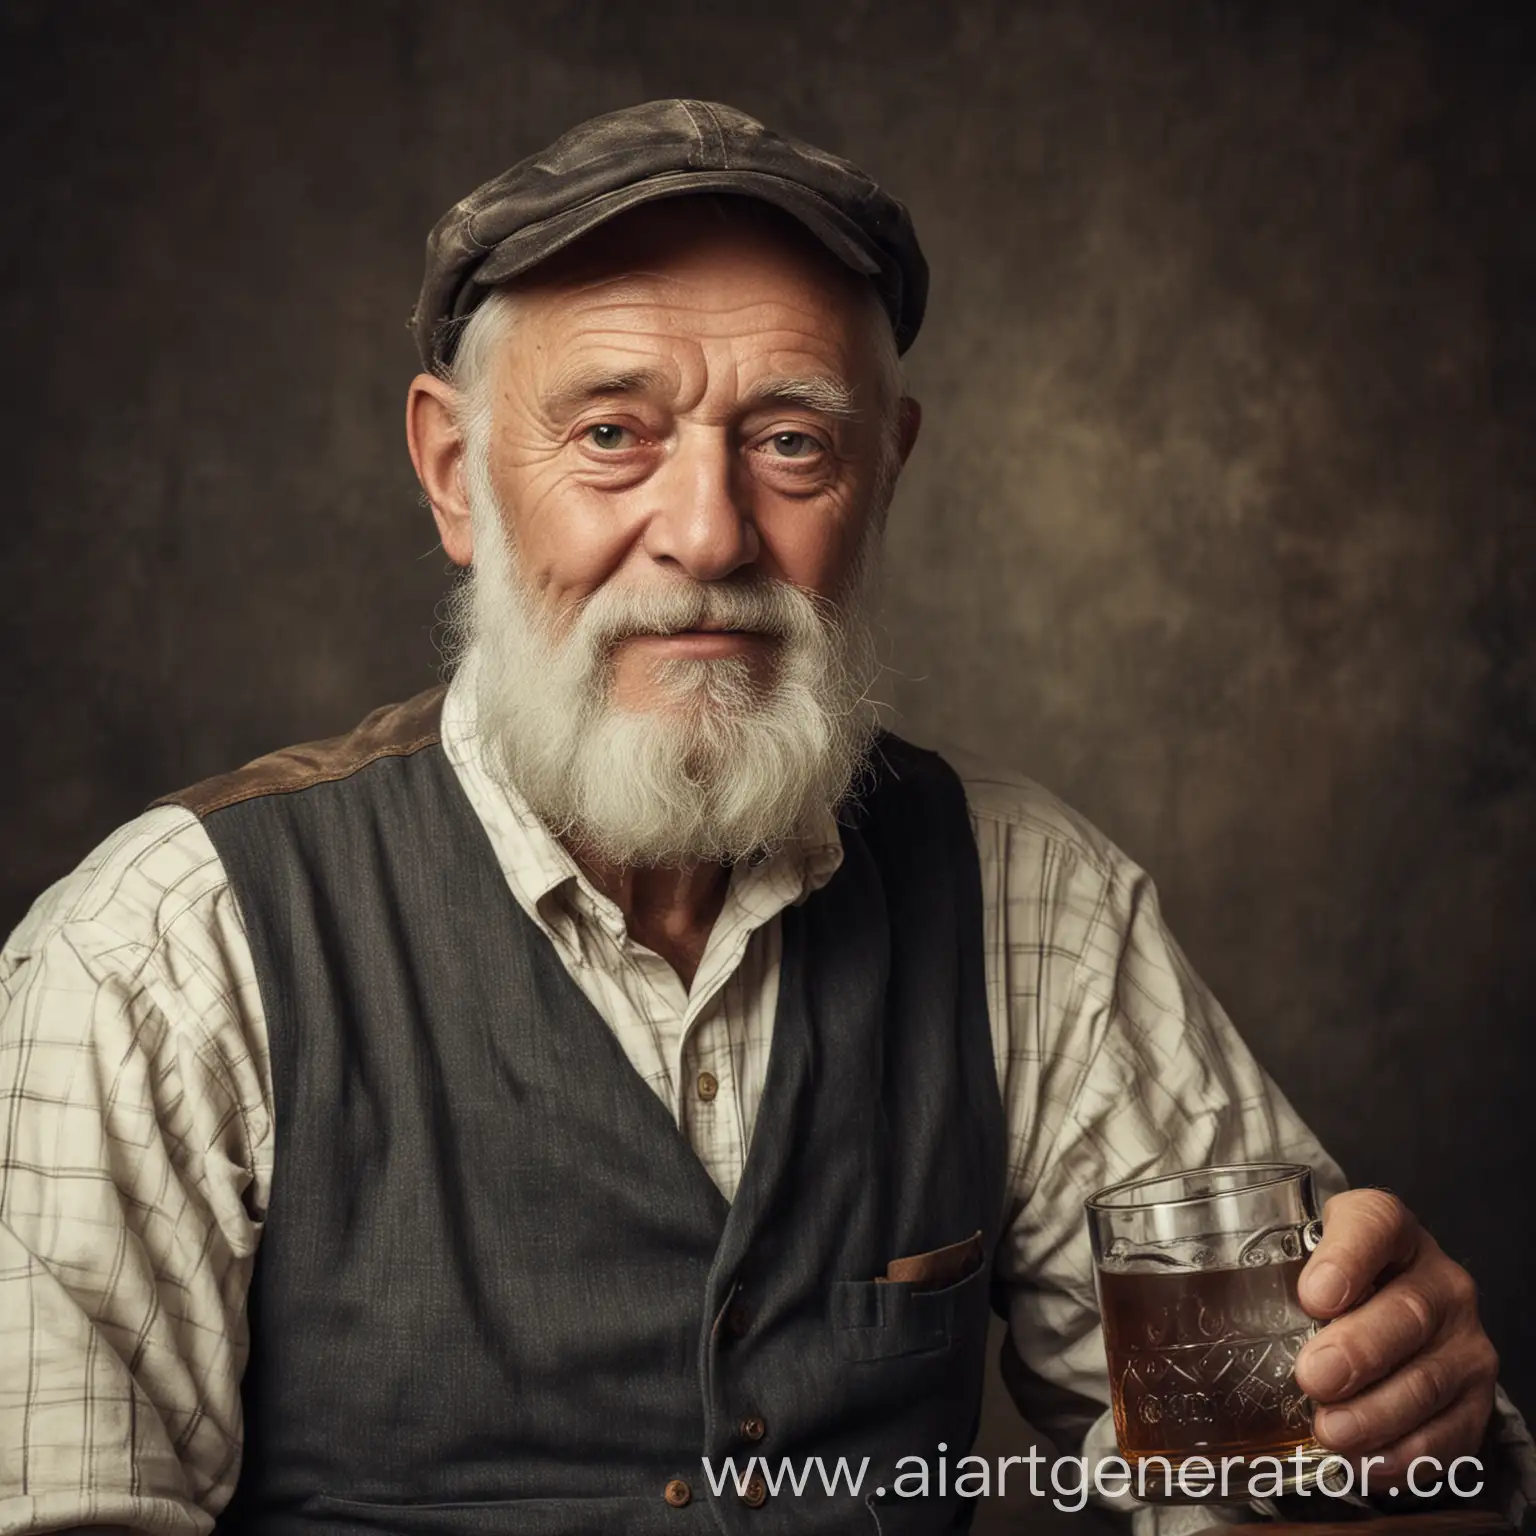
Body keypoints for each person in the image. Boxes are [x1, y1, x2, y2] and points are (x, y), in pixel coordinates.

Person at [0, 99, 1526, 1536]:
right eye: (613, 433)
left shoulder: (1027, 903)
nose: (712, 532)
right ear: (457, 475)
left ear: (884, 474)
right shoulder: (167, 956)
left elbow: (1257, 1476)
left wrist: (1397, 1438)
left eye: (792, 440)